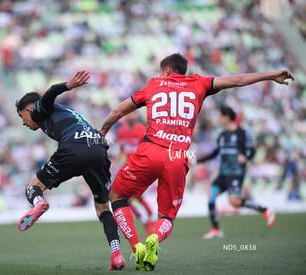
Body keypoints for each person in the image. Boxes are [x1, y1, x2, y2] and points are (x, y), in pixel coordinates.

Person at [98, 53, 294, 271]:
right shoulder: (199, 84)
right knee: (167, 216)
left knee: (116, 197)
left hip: (150, 150)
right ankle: (154, 236)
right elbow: (237, 80)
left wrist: (103, 130)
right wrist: (270, 75)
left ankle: (137, 247)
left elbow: (118, 111)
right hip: (178, 156)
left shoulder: (153, 85)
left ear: (167, 71)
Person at [15, 71, 125, 270]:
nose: (24, 122)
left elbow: (49, 93)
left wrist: (68, 85)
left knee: (33, 186)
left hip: (73, 149)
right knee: (102, 208)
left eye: (23, 117)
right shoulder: (67, 113)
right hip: (98, 150)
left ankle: (39, 203)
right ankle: (117, 254)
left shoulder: (38, 111)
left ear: (29, 109)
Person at [197, 106, 275, 239]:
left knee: (234, 201)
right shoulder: (221, 135)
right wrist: (197, 160)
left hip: (236, 173)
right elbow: (215, 153)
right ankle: (216, 229)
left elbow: (253, 151)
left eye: (220, 116)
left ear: (227, 117)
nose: (218, 119)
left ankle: (265, 210)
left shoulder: (242, 133)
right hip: (223, 173)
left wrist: (246, 157)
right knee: (211, 195)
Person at [114, 112, 155, 236]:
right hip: (128, 167)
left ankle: (149, 220)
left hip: (140, 167)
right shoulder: (122, 131)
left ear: (136, 116)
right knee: (133, 197)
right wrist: (114, 163)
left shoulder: (141, 130)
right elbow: (121, 148)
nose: (131, 116)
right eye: (129, 114)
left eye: (133, 114)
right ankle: (150, 219)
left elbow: (147, 147)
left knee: (129, 197)